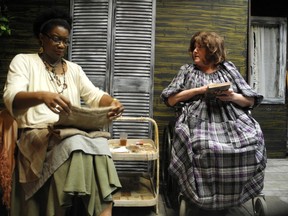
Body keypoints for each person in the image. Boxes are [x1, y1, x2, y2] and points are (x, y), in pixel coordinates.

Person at [3, 7, 124, 216]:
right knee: (76, 144)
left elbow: (94, 95)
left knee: (100, 144)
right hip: (35, 135)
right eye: (56, 39)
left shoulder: (74, 69)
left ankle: (104, 211)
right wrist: (42, 96)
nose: (61, 45)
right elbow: (11, 97)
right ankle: (63, 208)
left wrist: (112, 102)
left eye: (65, 41)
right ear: (41, 38)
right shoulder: (23, 61)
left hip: (69, 133)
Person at [160, 31, 267, 213]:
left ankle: (235, 195)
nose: (194, 51)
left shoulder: (228, 69)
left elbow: (250, 101)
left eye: (199, 47)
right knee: (204, 147)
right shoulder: (187, 70)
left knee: (251, 141)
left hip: (230, 117)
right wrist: (199, 90)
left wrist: (232, 96)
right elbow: (170, 100)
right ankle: (200, 196)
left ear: (211, 49)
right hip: (198, 119)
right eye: (194, 47)